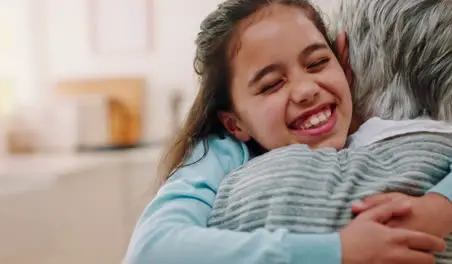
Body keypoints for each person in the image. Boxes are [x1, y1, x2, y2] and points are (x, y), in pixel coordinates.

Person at [123, 1, 451, 263]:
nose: (306, 90)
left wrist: (438, 208)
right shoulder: (223, 153)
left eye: (317, 63)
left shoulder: (385, 124)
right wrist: (338, 251)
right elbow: (152, 250)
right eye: (272, 84)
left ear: (344, 64)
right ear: (235, 123)